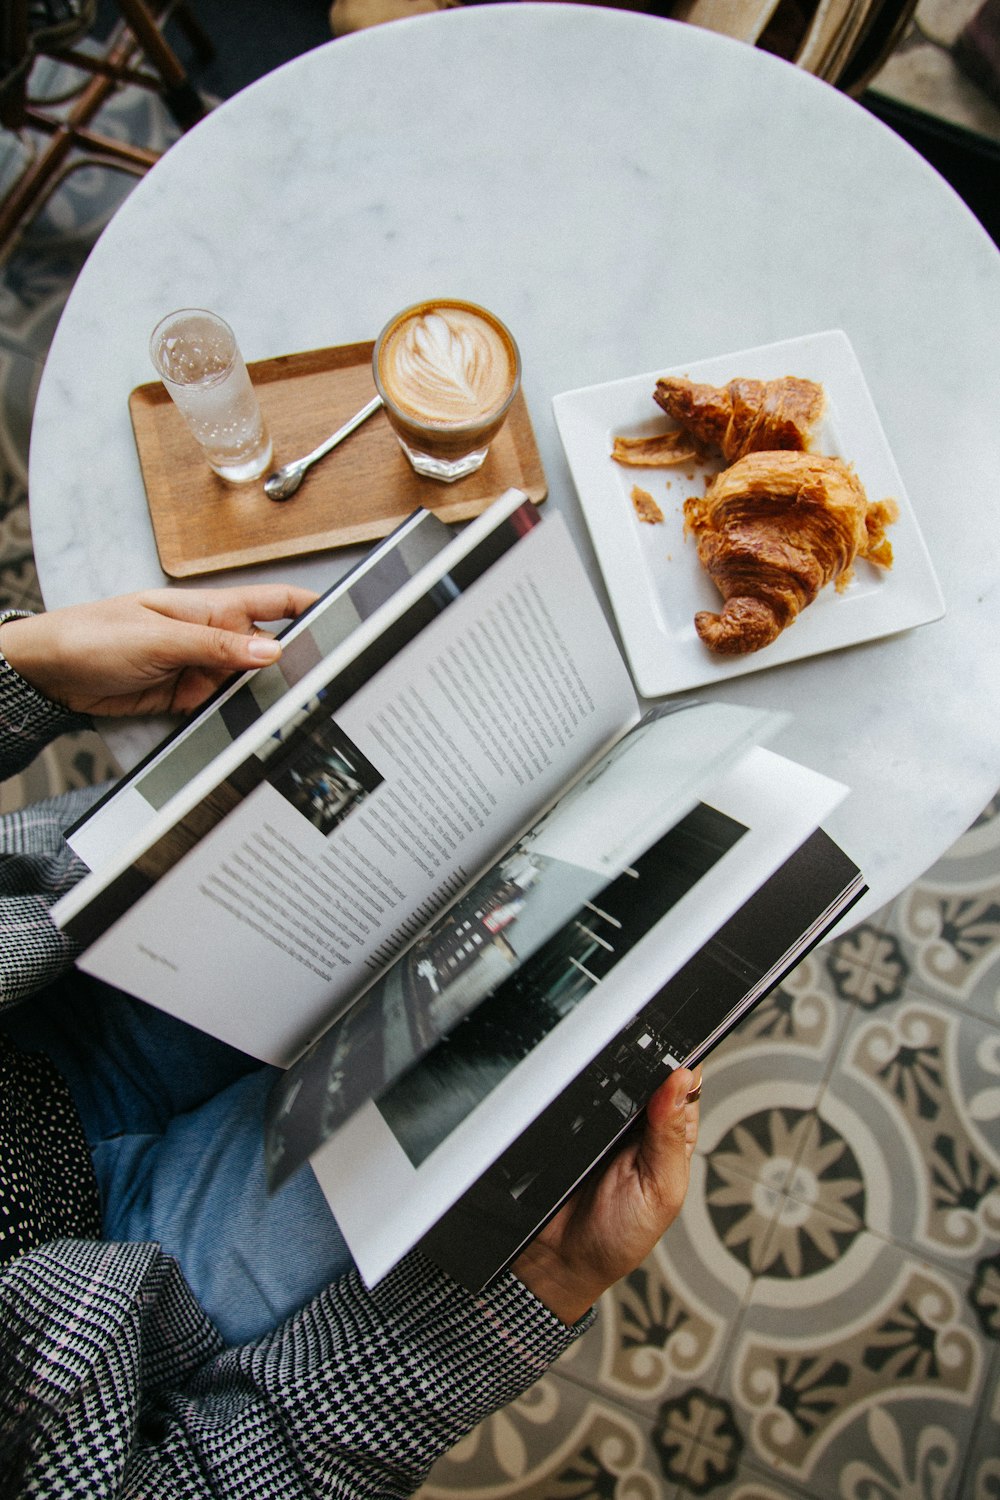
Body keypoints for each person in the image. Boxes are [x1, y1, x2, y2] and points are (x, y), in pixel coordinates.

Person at [0, 586, 701, 1497]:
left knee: (437, 828)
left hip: (46, 982)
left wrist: (21, 666)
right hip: (108, 1303)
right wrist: (536, 1294)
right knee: (542, 1018)